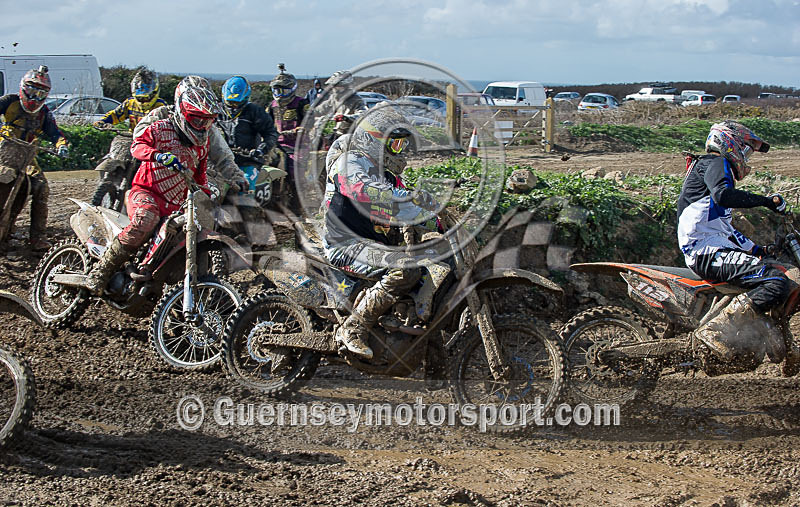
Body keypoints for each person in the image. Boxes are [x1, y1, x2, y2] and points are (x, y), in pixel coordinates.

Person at [322, 106, 439, 358]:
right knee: (404, 269)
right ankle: (353, 328)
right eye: (395, 144)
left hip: (372, 244)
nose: (401, 152)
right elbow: (362, 190)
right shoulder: (349, 161)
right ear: (375, 140)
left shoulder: (387, 175)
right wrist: (411, 198)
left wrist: (437, 221)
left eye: (403, 145)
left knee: (428, 275)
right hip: (345, 243)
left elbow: (408, 211)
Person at [677, 120, 794, 368]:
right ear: (730, 143)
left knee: (770, 269)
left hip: (713, 248)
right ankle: (716, 329)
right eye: (747, 149)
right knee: (775, 281)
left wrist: (760, 250)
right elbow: (724, 195)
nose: (747, 156)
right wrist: (766, 201)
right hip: (707, 253)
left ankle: (769, 336)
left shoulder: (712, 175)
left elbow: (726, 231)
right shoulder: (714, 163)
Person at [85, 85, 221, 293]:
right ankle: (102, 271)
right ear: (183, 112)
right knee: (147, 216)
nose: (203, 126)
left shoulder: (202, 143)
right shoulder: (161, 128)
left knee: (189, 229)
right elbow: (137, 145)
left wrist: (207, 191)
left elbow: (199, 174)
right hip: (146, 192)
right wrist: (157, 155)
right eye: (198, 120)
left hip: (175, 204)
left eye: (208, 121)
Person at [134, 76, 245, 203]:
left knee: (213, 199)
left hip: (198, 171)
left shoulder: (209, 127)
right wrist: (160, 147)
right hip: (160, 166)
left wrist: (236, 177)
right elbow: (139, 134)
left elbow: (223, 157)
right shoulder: (162, 113)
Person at [0, 65, 69, 251]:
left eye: (40, 93)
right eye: (31, 90)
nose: (34, 97)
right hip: (2, 149)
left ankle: (37, 236)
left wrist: (61, 145)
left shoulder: (44, 113)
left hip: (27, 156)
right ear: (23, 87)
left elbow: (55, 133)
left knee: (41, 188)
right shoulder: (8, 102)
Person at [218, 75, 278, 175]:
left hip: (248, 161)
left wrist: (261, 150)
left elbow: (271, 133)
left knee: (244, 184)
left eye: (237, 103)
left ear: (245, 99)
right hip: (221, 160)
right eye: (230, 102)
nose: (234, 106)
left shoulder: (255, 112)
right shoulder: (216, 112)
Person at [93, 68, 167, 131]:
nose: (142, 101)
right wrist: (102, 121)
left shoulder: (161, 106)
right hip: (133, 138)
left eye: (146, 98)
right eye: (140, 98)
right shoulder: (130, 103)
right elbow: (115, 115)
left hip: (154, 140)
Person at [267, 64, 309, 175]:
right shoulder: (272, 106)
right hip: (276, 144)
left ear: (292, 89)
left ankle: (295, 192)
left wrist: (301, 130)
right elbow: (265, 124)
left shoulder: (302, 103)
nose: (280, 95)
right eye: (277, 91)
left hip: (297, 146)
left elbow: (312, 122)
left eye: (283, 91)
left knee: (294, 169)